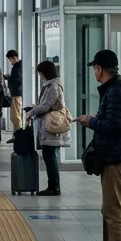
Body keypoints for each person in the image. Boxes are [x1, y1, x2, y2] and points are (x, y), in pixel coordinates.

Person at [76, 49, 121, 241]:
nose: (94, 72)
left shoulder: (116, 92)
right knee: (110, 209)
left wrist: (91, 122)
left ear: (100, 69)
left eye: (94, 68)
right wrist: (94, 120)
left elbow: (114, 126)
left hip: (117, 159)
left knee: (115, 210)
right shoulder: (113, 90)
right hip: (112, 157)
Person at [26, 61, 70, 195]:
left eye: (40, 73)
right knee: (49, 156)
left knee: (50, 156)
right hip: (49, 124)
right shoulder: (51, 86)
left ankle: (54, 187)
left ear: (45, 73)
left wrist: (31, 112)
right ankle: (53, 186)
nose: (40, 76)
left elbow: (46, 106)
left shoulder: (53, 87)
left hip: (52, 125)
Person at [5, 50, 23, 142]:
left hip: (17, 94)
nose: (10, 61)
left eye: (10, 59)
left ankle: (18, 136)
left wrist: (9, 78)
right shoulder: (17, 66)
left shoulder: (18, 67)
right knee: (14, 116)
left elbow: (18, 80)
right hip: (15, 94)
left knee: (15, 116)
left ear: (14, 57)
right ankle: (16, 135)